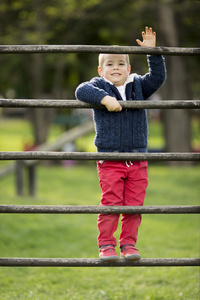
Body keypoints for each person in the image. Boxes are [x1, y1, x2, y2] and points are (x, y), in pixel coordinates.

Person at [75, 27, 167, 261]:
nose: (115, 68)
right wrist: (105, 99)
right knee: (111, 203)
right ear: (101, 69)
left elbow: (158, 78)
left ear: (128, 68)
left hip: (137, 158)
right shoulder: (99, 86)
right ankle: (106, 245)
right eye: (109, 64)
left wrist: (153, 53)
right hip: (110, 159)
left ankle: (129, 245)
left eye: (120, 64)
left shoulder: (138, 87)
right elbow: (80, 90)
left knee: (134, 206)